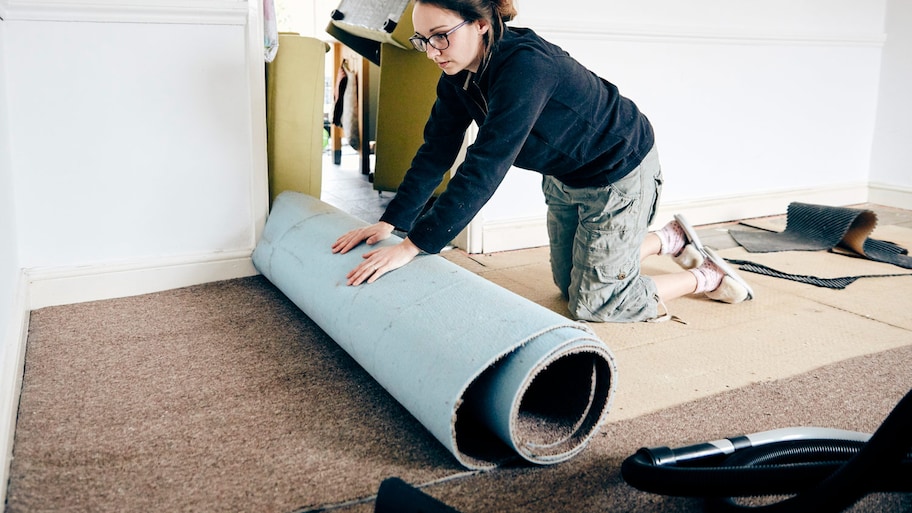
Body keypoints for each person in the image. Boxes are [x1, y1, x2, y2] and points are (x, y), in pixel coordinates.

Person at [332, 0, 753, 322]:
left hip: (618, 171)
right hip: (566, 175)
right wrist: (394, 221)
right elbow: (437, 149)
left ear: (481, 23)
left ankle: (707, 277)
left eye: (441, 35)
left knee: (596, 305)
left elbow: (485, 165)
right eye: (423, 39)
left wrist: (415, 246)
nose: (431, 52)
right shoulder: (457, 74)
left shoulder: (526, 66)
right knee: (567, 284)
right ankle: (670, 239)